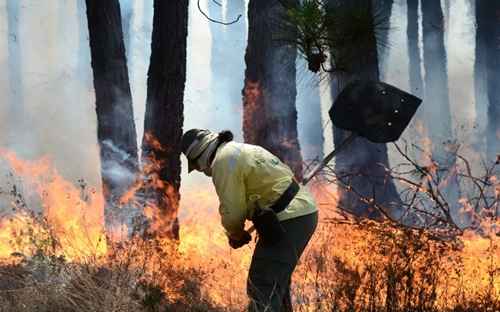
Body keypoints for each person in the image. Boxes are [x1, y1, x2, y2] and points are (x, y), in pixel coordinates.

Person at [181, 129, 318, 312]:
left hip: (289, 218)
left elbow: (233, 210)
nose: (201, 170)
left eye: (197, 166)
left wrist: (235, 234)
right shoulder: (241, 149)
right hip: (298, 213)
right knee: (276, 287)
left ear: (199, 156)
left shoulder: (223, 161)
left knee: (262, 284)